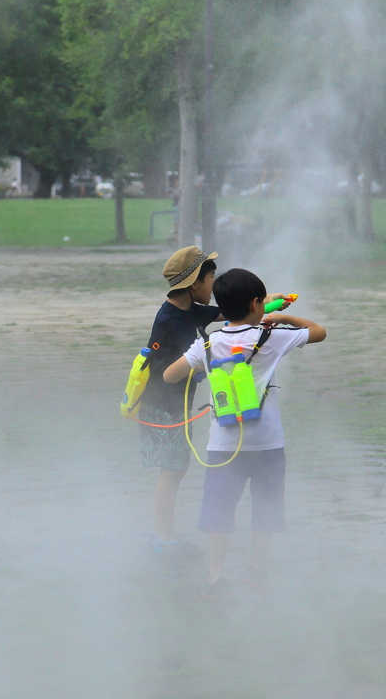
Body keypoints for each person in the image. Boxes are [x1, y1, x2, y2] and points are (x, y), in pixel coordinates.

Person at [163, 268, 326, 599]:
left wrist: (201, 363)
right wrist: (283, 316)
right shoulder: (272, 336)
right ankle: (256, 571)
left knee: (219, 511)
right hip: (268, 443)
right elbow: (319, 332)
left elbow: (169, 376)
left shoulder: (207, 343)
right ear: (256, 303)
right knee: (265, 508)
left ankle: (215, 576)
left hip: (222, 446)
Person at [139, 246, 222, 562]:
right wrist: (201, 365)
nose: (213, 285)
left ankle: (162, 534)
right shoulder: (169, 321)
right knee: (172, 471)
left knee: (175, 468)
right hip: (163, 408)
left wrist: (265, 303)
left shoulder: (189, 309)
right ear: (193, 284)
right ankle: (163, 538)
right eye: (211, 278)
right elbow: (165, 374)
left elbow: (229, 313)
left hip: (174, 407)